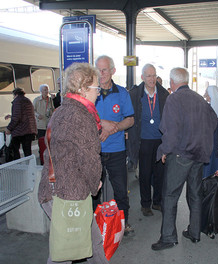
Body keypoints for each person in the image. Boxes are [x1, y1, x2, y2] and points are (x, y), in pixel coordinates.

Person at [38, 63, 108, 264]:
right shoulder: (80, 116)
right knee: (64, 252)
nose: (99, 93)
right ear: (83, 89)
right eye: (96, 88)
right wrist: (95, 183)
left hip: (57, 189)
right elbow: (89, 157)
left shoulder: (62, 110)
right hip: (67, 195)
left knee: (93, 241)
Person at [151, 67, 217, 251]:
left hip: (180, 154)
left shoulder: (173, 99)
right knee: (195, 194)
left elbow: (171, 131)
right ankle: (194, 232)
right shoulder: (199, 98)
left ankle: (168, 237)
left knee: (170, 195)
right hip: (198, 155)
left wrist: (163, 150)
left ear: (172, 82)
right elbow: (214, 121)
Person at [94, 55, 135, 236]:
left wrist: (114, 128)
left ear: (113, 71)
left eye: (104, 70)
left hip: (117, 151)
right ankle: (94, 227)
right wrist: (102, 123)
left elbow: (130, 119)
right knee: (93, 191)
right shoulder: (90, 92)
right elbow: (83, 114)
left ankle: (123, 223)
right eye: (98, 70)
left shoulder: (122, 93)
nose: (100, 74)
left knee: (120, 191)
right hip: (94, 152)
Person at [128, 64, 169, 216]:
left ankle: (157, 201)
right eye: (149, 76)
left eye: (154, 75)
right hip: (143, 140)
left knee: (160, 173)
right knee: (145, 174)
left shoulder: (164, 94)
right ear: (142, 77)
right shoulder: (135, 94)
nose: (152, 79)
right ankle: (145, 204)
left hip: (160, 141)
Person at [5, 88, 37, 160]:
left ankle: (19, 166)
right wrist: (11, 116)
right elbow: (24, 114)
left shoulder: (17, 101)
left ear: (16, 94)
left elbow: (17, 118)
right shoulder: (27, 100)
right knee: (27, 151)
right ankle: (30, 167)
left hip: (20, 131)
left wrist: (9, 128)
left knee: (15, 149)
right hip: (29, 129)